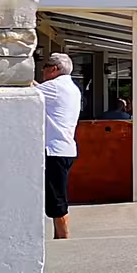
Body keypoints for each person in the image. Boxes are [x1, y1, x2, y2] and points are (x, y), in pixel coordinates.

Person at [36, 53, 82, 240]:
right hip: (66, 148)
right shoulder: (72, 88)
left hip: (54, 151)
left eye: (45, 66)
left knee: (57, 200)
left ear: (54, 69)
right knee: (57, 196)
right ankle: (61, 236)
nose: (42, 70)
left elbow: (28, 94)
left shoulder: (54, 87)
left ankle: (63, 238)